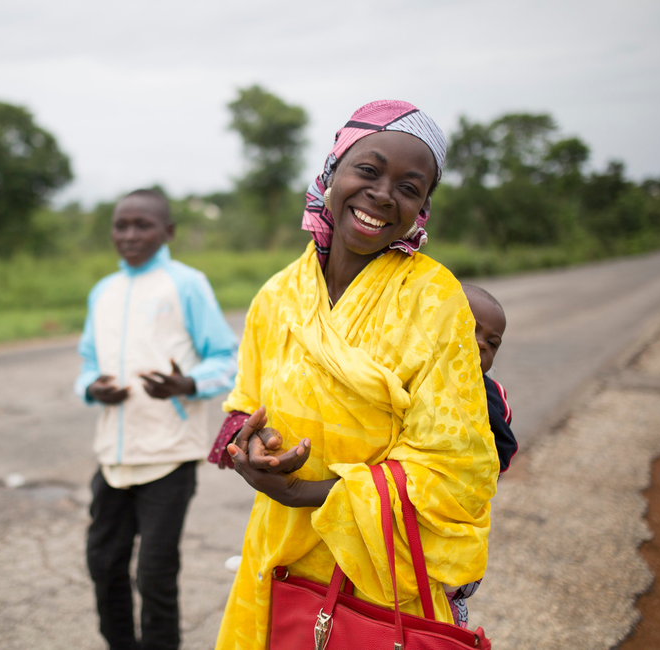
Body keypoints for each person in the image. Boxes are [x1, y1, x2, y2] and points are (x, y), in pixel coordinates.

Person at [210, 101, 499, 648]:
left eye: (409, 187)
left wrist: (307, 492)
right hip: (277, 552)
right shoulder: (279, 294)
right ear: (331, 172)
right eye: (367, 170)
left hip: (380, 574)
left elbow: (458, 468)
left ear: (422, 209)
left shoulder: (434, 299)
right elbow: (244, 403)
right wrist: (252, 450)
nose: (383, 194)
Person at [75, 189, 239, 650]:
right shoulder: (103, 291)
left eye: (141, 225)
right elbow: (88, 362)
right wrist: (92, 388)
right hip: (114, 455)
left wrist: (185, 383)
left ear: (167, 232)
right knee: (104, 563)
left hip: (170, 455)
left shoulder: (185, 283)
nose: (129, 235)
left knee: (155, 574)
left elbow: (226, 356)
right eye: (120, 225)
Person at [462, 283, 517, 473]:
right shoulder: (406, 367)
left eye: (492, 343)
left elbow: (501, 453)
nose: (481, 344)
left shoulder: (490, 396)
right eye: (470, 327)